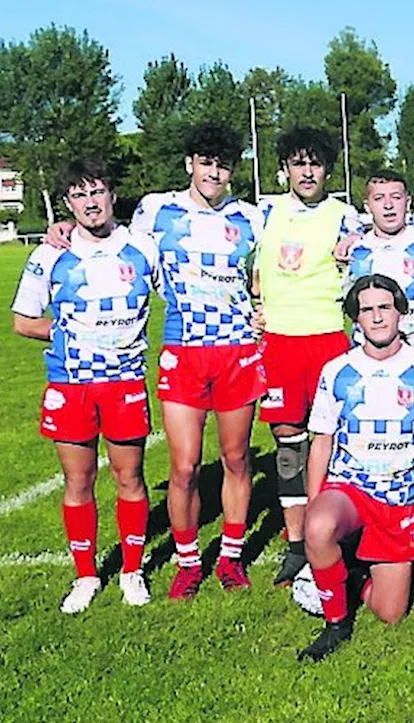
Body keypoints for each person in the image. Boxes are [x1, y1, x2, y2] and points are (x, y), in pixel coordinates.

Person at [12, 159, 161, 613]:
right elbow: (23, 322)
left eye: (97, 192)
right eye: (79, 195)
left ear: (113, 196)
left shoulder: (142, 247)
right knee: (78, 480)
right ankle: (85, 575)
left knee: (129, 477)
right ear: (68, 203)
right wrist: (72, 332)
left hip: (124, 382)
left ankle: (132, 570)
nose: (90, 202)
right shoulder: (48, 254)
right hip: (71, 382)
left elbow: (177, 297)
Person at [129, 122, 267, 598]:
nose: (214, 172)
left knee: (235, 458)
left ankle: (229, 557)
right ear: (190, 164)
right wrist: (63, 232)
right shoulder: (155, 210)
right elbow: (115, 247)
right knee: (184, 466)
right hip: (184, 350)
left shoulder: (252, 216)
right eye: (206, 162)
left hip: (236, 352)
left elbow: (272, 270)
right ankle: (189, 562)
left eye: (223, 164)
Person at [297, 275, 414, 662]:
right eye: (367, 310)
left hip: (398, 501)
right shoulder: (337, 371)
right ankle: (336, 623)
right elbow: (321, 441)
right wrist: (315, 507)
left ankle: (349, 573)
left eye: (385, 307)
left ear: (400, 311)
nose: (378, 317)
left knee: (390, 614)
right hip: (349, 489)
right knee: (319, 526)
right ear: (356, 318)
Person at [255, 127, 363, 587]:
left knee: (336, 439)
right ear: (284, 170)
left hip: (326, 338)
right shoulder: (261, 213)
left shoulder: (345, 216)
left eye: (314, 164)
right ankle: (297, 545)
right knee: (287, 441)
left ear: (326, 171)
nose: (306, 172)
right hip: (279, 340)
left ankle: (339, 533)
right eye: (298, 164)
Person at [346, 169, 414, 352]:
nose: (388, 205)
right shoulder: (354, 250)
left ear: (408, 202)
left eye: (396, 197)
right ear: (367, 207)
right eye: (379, 198)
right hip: (366, 358)